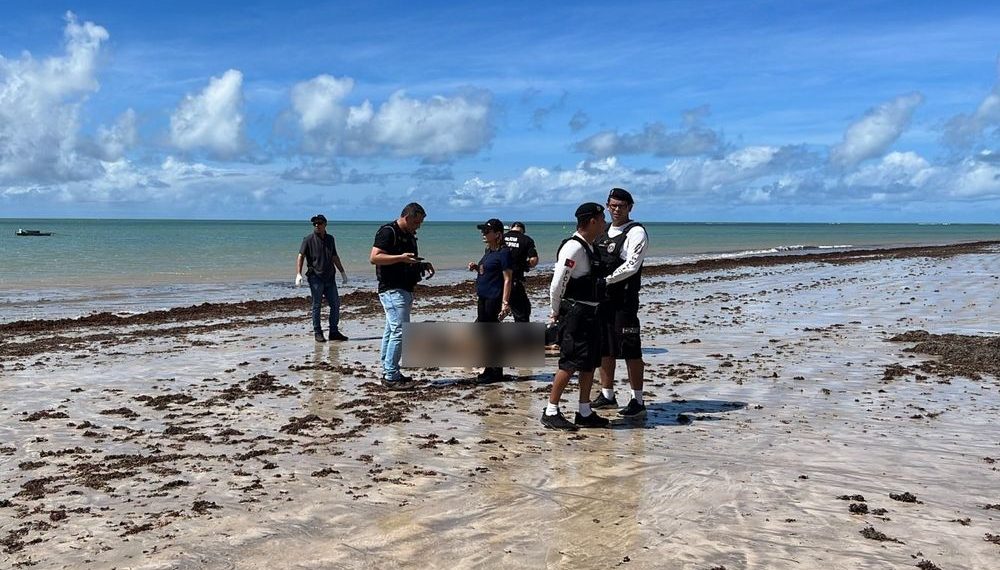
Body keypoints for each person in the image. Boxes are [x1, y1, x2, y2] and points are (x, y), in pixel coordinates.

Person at [541, 202, 611, 431]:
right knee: (570, 362)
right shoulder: (573, 248)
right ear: (592, 221)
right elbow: (557, 284)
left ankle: (584, 410)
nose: (604, 223)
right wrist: (555, 311)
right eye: (602, 220)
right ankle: (551, 410)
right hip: (576, 313)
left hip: (592, 312)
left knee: (589, 363)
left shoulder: (590, 247)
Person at [592, 187, 649, 418]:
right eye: (613, 205)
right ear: (607, 206)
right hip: (601, 301)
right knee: (604, 348)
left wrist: (606, 280)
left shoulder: (636, 232)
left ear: (630, 208)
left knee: (630, 350)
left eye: (621, 206)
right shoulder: (602, 230)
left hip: (624, 301)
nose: (616, 210)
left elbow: (632, 265)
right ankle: (607, 395)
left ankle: (638, 400)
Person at [369, 203, 435, 390]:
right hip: (391, 289)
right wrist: (400, 258)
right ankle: (390, 375)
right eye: (417, 222)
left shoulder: (408, 235)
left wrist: (421, 265)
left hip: (405, 288)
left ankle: (389, 370)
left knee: (392, 330)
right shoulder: (388, 231)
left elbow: (408, 260)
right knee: (401, 331)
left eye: (420, 222)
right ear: (407, 217)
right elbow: (374, 257)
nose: (418, 226)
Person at [468, 218, 514, 383]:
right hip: (483, 297)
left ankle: (495, 372)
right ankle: (490, 369)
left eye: (487, 231)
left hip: (494, 298)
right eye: (483, 231)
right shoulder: (489, 252)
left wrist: (505, 303)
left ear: (498, 234)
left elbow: (508, 279)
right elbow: (486, 271)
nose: (483, 233)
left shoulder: (504, 253)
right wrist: (476, 267)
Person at [296, 214, 348, 342]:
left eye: (319, 223)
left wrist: (342, 272)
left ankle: (334, 332)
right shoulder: (308, 239)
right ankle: (317, 332)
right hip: (315, 278)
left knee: (335, 304)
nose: (316, 225)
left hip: (330, 277)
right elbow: (300, 256)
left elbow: (334, 256)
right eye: (314, 224)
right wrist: (298, 273)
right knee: (316, 305)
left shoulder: (330, 239)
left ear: (325, 224)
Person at [502, 221, 539, 322]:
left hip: (496, 280)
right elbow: (534, 260)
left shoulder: (501, 238)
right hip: (514, 281)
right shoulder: (527, 240)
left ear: (511, 228)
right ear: (523, 231)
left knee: (490, 313)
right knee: (522, 313)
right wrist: (524, 265)